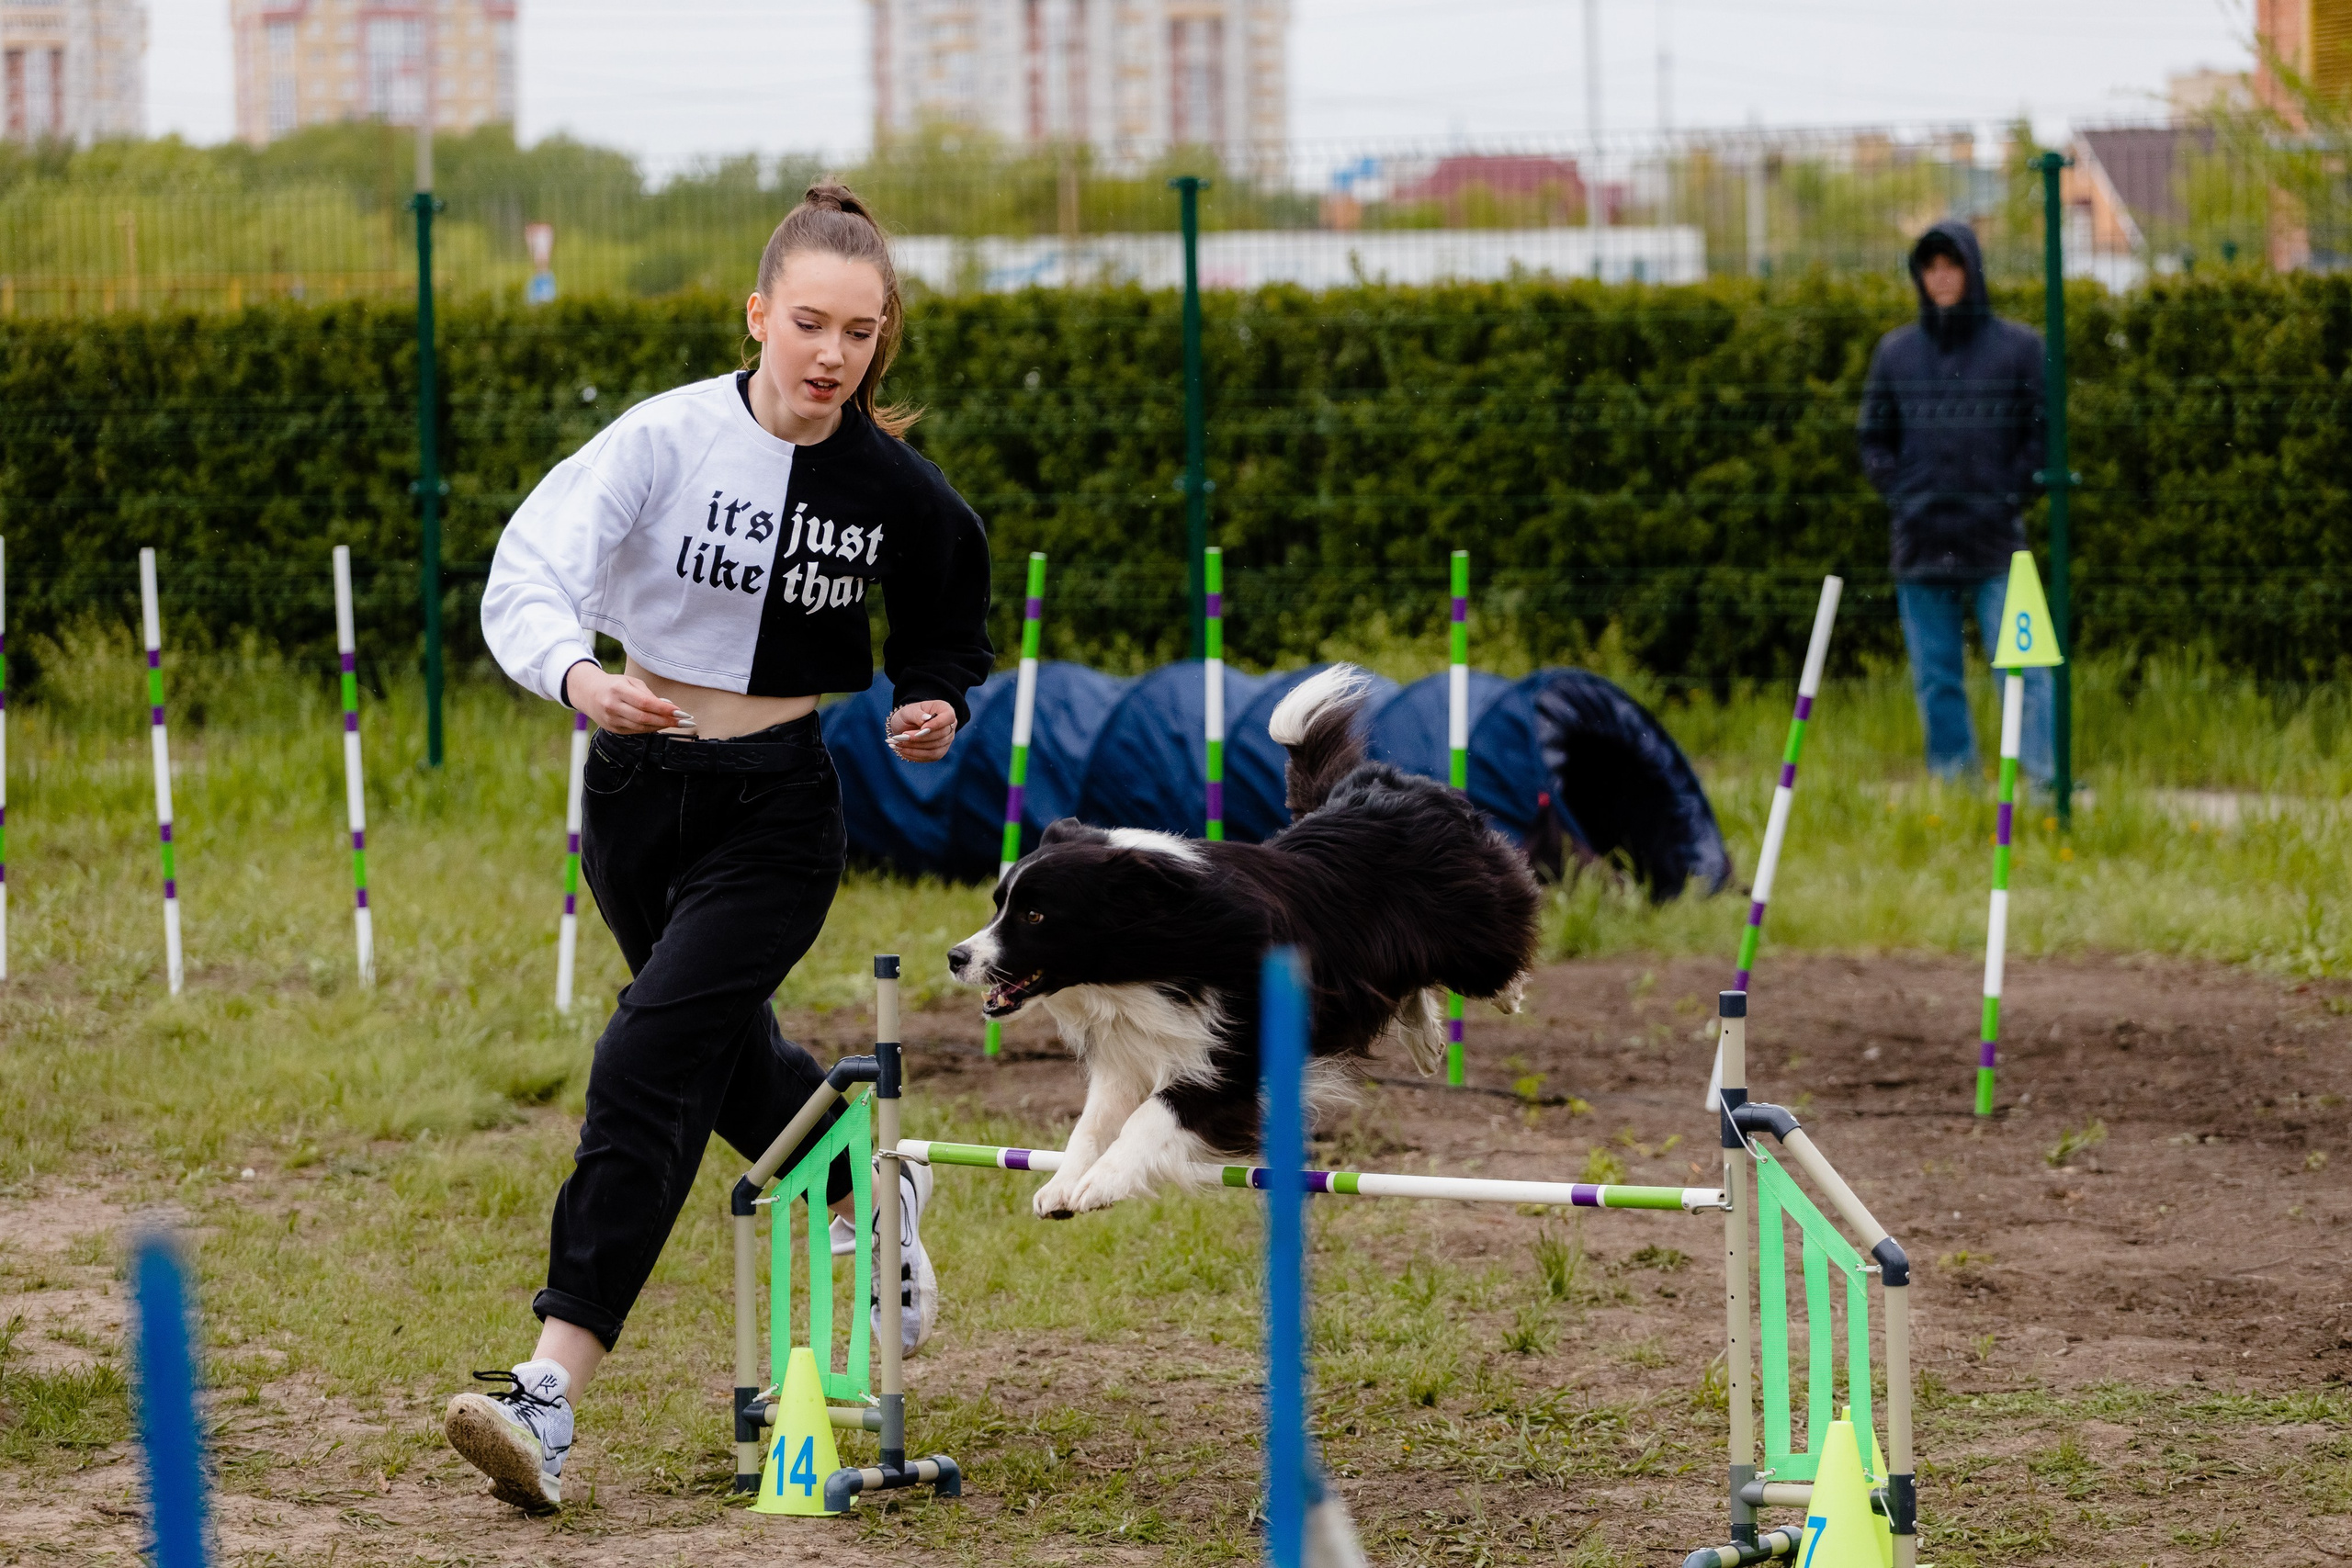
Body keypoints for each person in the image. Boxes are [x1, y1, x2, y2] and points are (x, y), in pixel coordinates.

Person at [447, 181, 993, 1513]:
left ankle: (548, 1387)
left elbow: (947, 611)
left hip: (776, 813)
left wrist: (935, 700)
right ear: (758, 313)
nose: (831, 353)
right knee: (713, 1047)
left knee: (648, 1050)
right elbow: (528, 569)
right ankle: (873, 1173)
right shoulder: (661, 439)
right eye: (809, 321)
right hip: (634, 793)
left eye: (860, 332)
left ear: (881, 341)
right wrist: (578, 678)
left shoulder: (893, 491)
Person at [1860, 219, 2054, 784]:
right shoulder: (1895, 353)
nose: (1942, 278)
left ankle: (2040, 782)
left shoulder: (2019, 348)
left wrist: (2008, 494)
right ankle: (1954, 783)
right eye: (1931, 267)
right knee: (1937, 676)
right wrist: (1903, 493)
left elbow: (2042, 437)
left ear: (1973, 270)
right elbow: (1873, 439)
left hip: (1998, 544)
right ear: (1921, 277)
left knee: (2026, 670)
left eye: (1952, 265)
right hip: (1920, 543)